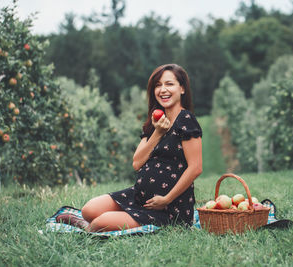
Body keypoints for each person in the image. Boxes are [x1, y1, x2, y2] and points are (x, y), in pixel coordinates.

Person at [56, 63, 203, 232]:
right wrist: (157, 132)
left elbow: (196, 168)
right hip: (139, 197)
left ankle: (88, 226)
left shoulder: (186, 119)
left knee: (100, 223)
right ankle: (92, 222)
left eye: (169, 84)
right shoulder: (154, 121)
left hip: (169, 207)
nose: (163, 90)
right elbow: (137, 163)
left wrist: (167, 199)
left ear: (182, 89)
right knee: (89, 210)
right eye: (158, 85)